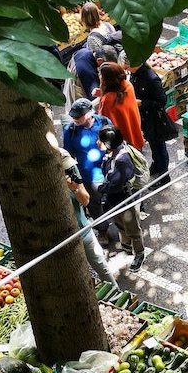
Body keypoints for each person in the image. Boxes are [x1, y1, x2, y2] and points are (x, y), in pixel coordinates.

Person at [58, 149, 116, 284]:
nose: (70, 168)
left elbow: (85, 200)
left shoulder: (71, 171)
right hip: (62, 238)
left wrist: (74, 188)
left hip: (82, 229)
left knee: (102, 267)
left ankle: (116, 293)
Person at [98, 125, 149, 272]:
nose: (97, 143)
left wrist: (101, 189)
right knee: (120, 224)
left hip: (126, 201)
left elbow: (116, 185)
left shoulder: (122, 160)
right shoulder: (113, 153)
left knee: (132, 228)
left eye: (100, 140)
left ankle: (139, 254)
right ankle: (126, 246)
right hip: (115, 200)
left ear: (108, 144)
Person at [63, 98, 112, 229]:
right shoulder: (70, 130)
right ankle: (102, 229)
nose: (75, 119)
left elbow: (113, 142)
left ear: (90, 113)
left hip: (109, 171)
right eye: (73, 116)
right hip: (88, 177)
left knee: (114, 197)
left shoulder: (103, 121)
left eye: (79, 116)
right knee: (94, 204)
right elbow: (69, 156)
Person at [127, 58, 175, 179]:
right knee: (152, 143)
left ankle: (164, 175)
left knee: (159, 146)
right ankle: (156, 164)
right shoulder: (134, 74)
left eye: (127, 66)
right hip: (144, 117)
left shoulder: (151, 78)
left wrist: (142, 103)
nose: (126, 69)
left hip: (155, 118)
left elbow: (162, 101)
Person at [96, 62, 145, 149]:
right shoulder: (128, 86)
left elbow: (104, 121)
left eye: (100, 74)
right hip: (134, 132)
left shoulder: (108, 100)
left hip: (121, 141)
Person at [66, 44, 120, 108]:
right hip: (77, 102)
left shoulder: (84, 51)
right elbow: (95, 99)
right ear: (100, 60)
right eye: (108, 65)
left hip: (69, 88)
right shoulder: (88, 72)